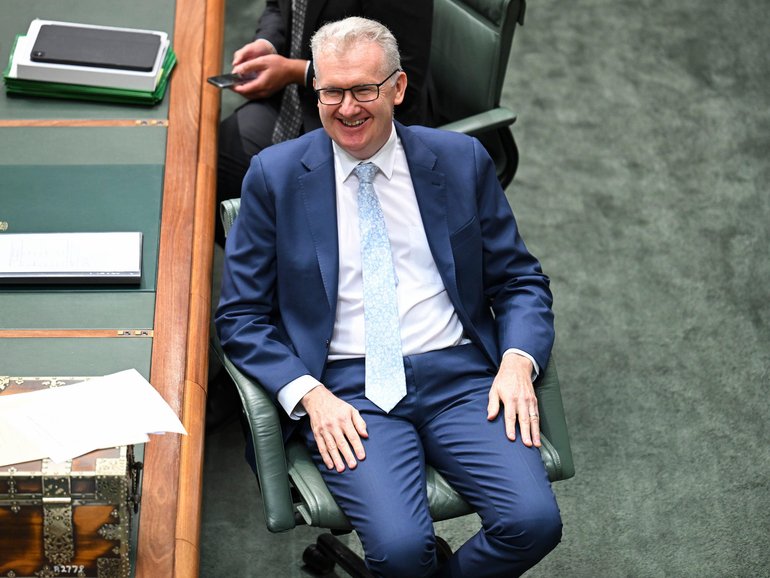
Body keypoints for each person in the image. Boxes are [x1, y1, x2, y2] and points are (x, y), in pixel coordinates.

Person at [216, 16, 561, 578]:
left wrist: (518, 361)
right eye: (332, 91)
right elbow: (240, 316)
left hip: (461, 377)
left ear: (398, 89)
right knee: (400, 552)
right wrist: (310, 396)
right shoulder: (274, 176)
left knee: (534, 522)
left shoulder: (460, 160)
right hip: (349, 390)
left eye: (364, 90)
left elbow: (519, 280)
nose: (347, 108)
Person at [215, 0, 434, 245]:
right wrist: (267, 43)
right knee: (214, 159)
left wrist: (297, 72)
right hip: (294, 98)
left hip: (363, 121)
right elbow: (279, 6)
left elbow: (407, 78)